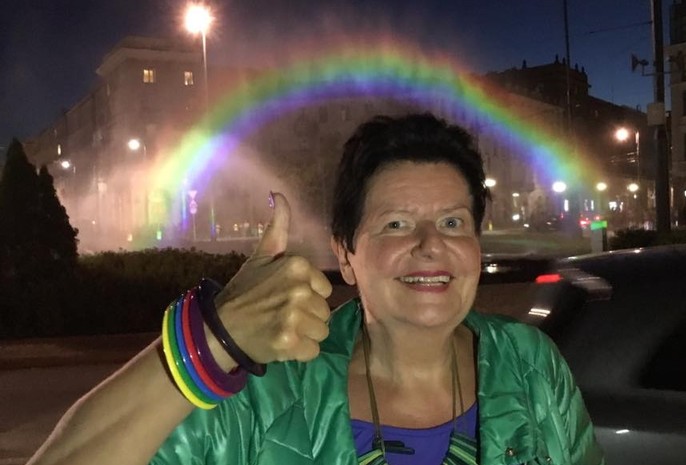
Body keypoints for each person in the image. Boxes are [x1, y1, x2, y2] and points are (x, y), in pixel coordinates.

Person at [27, 113, 603, 465]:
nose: (431, 245)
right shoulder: (269, 392)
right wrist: (216, 339)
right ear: (345, 254)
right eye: (396, 224)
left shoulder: (530, 365)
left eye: (454, 222)